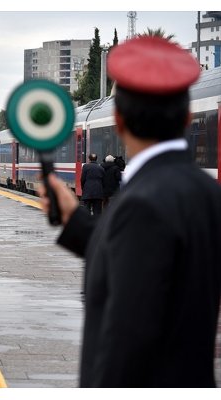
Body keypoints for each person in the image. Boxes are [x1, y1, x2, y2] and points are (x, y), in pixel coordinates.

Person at [38, 36, 221, 387]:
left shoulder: (142, 203)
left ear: (119, 121)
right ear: (186, 117)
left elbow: (128, 340)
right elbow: (153, 261)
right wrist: (75, 222)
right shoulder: (204, 192)